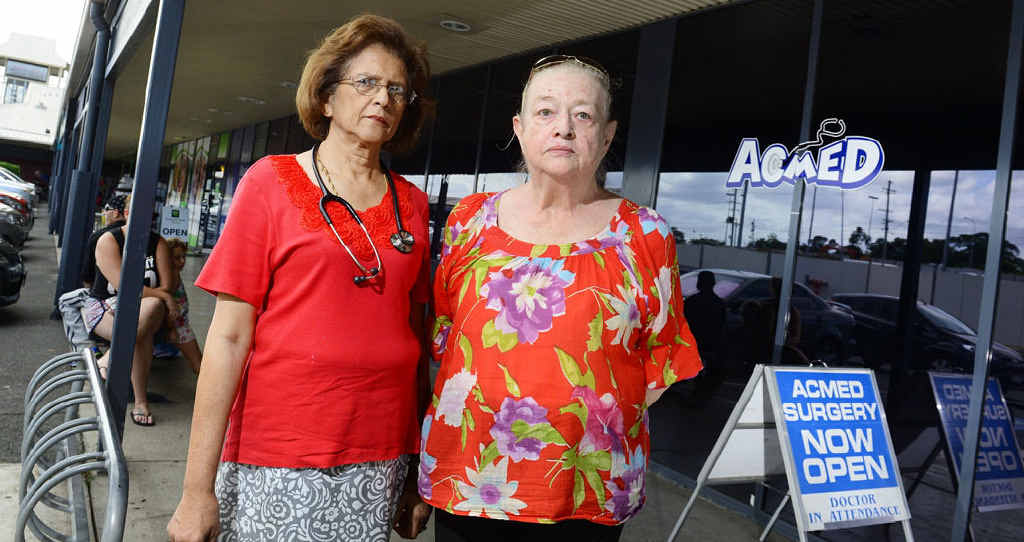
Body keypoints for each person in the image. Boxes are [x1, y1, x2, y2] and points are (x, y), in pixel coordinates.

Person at [167, 14, 433, 542]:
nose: (383, 98)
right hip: (280, 451)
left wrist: (416, 472)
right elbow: (227, 338)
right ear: (327, 98)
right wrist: (197, 491)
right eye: (366, 82)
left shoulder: (414, 204)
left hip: (379, 456)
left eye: (397, 89)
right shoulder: (270, 183)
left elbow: (420, 338)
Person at [418, 55, 702, 541]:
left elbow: (663, 355)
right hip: (470, 483)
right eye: (546, 112)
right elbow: (444, 337)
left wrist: (591, 424)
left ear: (607, 136)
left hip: (585, 496)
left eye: (583, 115)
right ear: (520, 128)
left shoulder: (643, 233)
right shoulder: (468, 221)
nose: (564, 129)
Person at [84, 195, 179, 426]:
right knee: (140, 335)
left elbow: (167, 285)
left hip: (147, 310)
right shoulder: (109, 240)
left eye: (149, 217)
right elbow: (122, 288)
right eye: (138, 215)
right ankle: (140, 402)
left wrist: (162, 294)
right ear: (126, 214)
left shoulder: (158, 243)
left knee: (152, 307)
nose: (145, 221)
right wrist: (163, 295)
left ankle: (108, 359)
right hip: (105, 308)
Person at [683, 271, 726, 400]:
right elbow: (721, 326)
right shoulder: (719, 303)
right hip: (710, 343)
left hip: (694, 342)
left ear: (699, 284)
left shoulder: (692, 301)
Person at [164, 239, 202, 374]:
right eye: (177, 258)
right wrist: (172, 329)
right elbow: (169, 308)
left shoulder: (172, 274)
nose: (182, 261)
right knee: (199, 364)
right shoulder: (172, 277)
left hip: (180, 324)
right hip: (179, 327)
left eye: (183, 257)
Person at [81, 194, 127, 287]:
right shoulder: (147, 238)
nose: (104, 213)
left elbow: (87, 276)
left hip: (103, 294)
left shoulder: (99, 236)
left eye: (106, 208)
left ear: (115, 213)